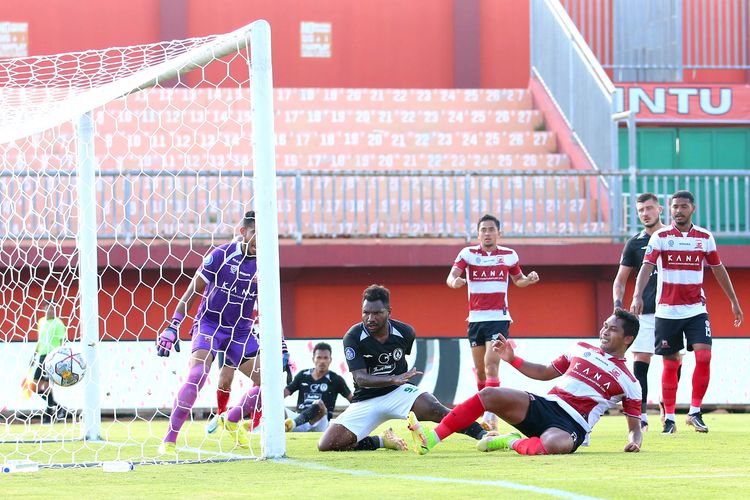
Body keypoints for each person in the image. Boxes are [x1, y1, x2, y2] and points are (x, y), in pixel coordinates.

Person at [407, 309, 643, 456]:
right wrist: (512, 359)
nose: (604, 331)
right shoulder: (581, 348)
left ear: (628, 338)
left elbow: (635, 428)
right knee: (489, 395)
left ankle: (509, 442)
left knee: (551, 445)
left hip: (572, 425)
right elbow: (544, 372)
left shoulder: (629, 382)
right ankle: (432, 438)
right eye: (604, 326)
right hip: (545, 405)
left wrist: (634, 442)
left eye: (612, 329)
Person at [317, 284, 487, 452]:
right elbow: (360, 378)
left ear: (389, 312)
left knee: (436, 409)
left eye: (377, 313)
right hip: (366, 398)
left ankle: (483, 434)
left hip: (397, 392)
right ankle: (382, 441)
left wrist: (396, 382)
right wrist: (392, 378)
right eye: (366, 313)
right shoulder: (352, 337)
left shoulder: (405, 332)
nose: (370, 318)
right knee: (327, 444)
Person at [631, 190, 743, 434]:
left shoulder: (704, 237)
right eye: (674, 207)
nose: (678, 211)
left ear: (692, 208)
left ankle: (694, 412)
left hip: (696, 309)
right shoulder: (660, 237)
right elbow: (646, 267)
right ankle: (669, 417)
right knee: (671, 363)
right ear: (669, 210)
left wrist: (733, 301)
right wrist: (637, 295)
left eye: (683, 206)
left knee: (704, 357)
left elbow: (718, 268)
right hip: (667, 311)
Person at [157, 210, 264, 455]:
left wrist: (281, 347)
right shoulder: (221, 255)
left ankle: (232, 418)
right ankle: (169, 441)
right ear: (243, 232)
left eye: (264, 234)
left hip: (240, 331)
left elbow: (270, 309)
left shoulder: (266, 264)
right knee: (198, 375)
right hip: (210, 325)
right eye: (255, 233)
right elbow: (192, 292)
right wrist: (174, 325)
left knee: (269, 384)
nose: (259, 239)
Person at [446, 213, 540, 430]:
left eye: (491, 229)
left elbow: (519, 280)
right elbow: (451, 276)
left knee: (491, 365)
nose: (487, 233)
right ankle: (484, 410)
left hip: (499, 317)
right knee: (480, 371)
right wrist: (455, 282)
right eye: (483, 230)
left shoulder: (509, 255)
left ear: (499, 233)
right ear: (478, 234)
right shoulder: (467, 254)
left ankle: (491, 415)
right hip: (475, 320)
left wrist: (529, 280)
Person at [612, 192, 665, 430]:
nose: (645, 213)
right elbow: (620, 280)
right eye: (641, 210)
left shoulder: (672, 238)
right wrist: (617, 305)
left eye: (649, 208)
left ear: (660, 210)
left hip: (671, 311)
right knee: (641, 361)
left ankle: (668, 409)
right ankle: (642, 414)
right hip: (644, 313)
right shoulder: (635, 243)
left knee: (672, 361)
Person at [284, 342, 352, 432]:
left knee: (319, 404)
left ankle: (294, 425)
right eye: (319, 357)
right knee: (279, 409)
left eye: (325, 358)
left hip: (320, 422)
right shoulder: (302, 375)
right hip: (299, 418)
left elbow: (353, 401)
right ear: (313, 359)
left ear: (330, 360)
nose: (322, 361)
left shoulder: (336, 379)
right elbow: (283, 393)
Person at [32, 299, 68, 423]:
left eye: (53, 308)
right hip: (41, 356)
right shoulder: (41, 322)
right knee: (34, 386)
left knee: (47, 388)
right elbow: (39, 340)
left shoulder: (59, 323)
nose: (51, 310)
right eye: (49, 308)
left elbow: (62, 343)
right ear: (44, 308)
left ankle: (48, 417)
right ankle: (59, 408)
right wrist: (34, 355)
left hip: (52, 357)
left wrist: (60, 358)